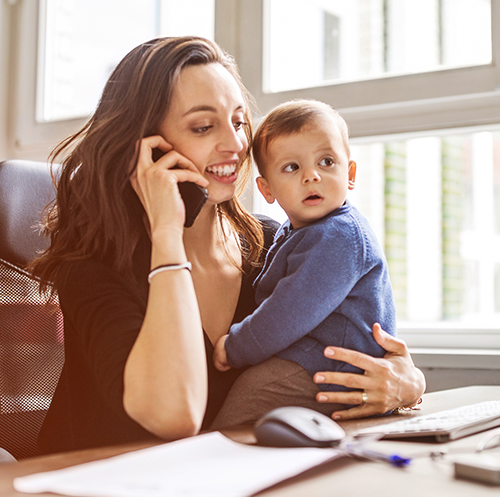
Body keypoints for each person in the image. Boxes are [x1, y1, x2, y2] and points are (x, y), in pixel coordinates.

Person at [30, 36, 425, 454]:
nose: (237, 145)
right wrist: (167, 233)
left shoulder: (271, 244)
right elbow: (173, 416)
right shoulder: (92, 266)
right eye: (203, 126)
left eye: (238, 122)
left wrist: (406, 383)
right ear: (146, 148)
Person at [210, 100, 397, 427]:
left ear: (350, 174)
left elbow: (289, 310)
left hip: (332, 367)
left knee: (244, 404)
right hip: (317, 362)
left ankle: (209, 459)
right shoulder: (297, 231)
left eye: (326, 162)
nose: (312, 176)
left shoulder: (339, 236)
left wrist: (235, 347)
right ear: (267, 189)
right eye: (292, 167)